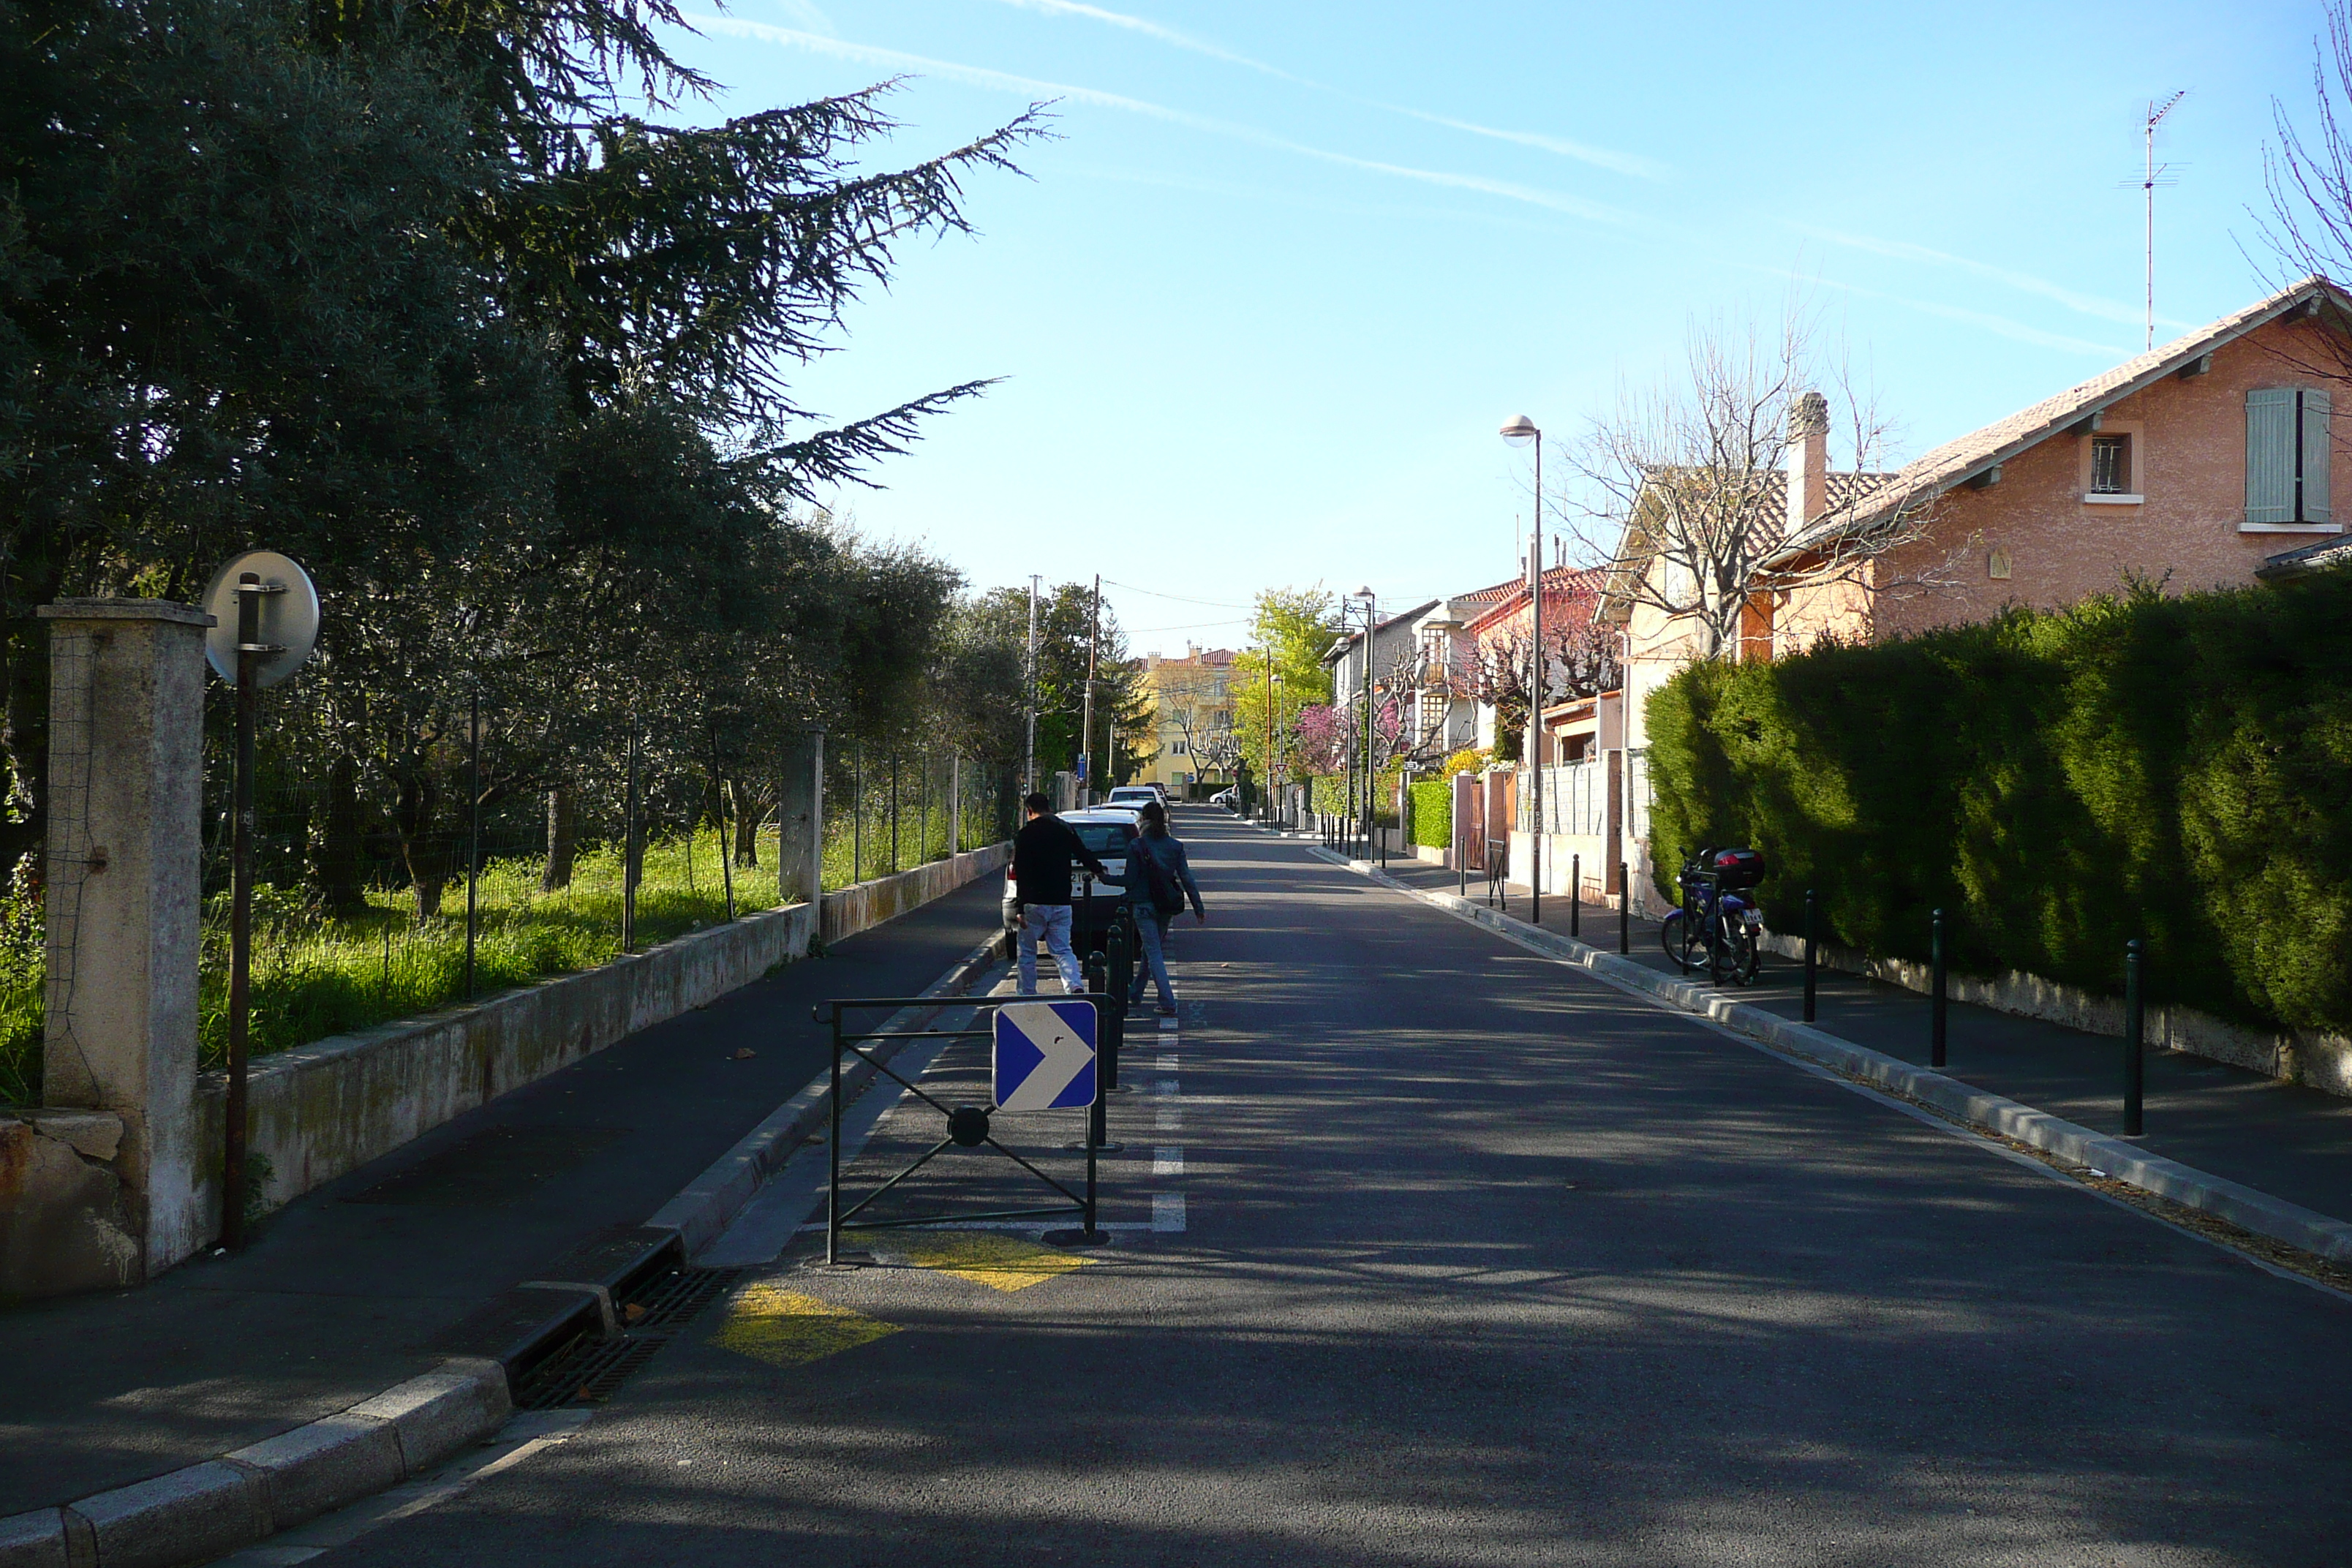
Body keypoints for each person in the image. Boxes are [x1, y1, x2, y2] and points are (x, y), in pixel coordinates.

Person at [1012, 791, 1113, 996]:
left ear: (1029, 811)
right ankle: (1074, 986)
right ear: (1049, 808)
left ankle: (1027, 993)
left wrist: (1019, 907)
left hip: (1033, 902)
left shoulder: (1025, 834)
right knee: (1062, 950)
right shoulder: (1064, 829)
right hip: (1061, 901)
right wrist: (1098, 870)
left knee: (1027, 953)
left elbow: (1020, 871)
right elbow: (1083, 852)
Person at [1120, 799, 1205, 1016]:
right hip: (1166, 906)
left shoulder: (1136, 846)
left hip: (1144, 906)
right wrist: (1198, 907)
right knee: (1149, 950)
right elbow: (1187, 878)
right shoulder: (1175, 846)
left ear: (1143, 819)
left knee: (1154, 952)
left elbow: (1129, 880)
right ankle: (1135, 993)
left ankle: (1168, 1001)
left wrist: (1104, 878)